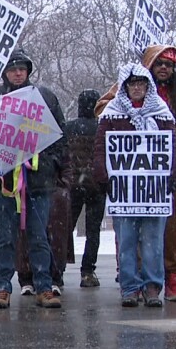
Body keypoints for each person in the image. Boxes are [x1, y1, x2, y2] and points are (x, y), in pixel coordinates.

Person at [96, 45, 176, 302]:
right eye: (132, 84)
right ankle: (129, 288)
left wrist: (175, 173)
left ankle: (152, 287)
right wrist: (103, 175)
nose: (137, 88)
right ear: (124, 87)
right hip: (124, 190)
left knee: (153, 241)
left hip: (154, 190)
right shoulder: (111, 114)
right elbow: (101, 147)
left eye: (141, 84)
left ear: (148, 86)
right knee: (127, 240)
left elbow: (173, 146)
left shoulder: (161, 113)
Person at [0, 47, 66, 310]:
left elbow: (59, 134)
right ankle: (2, 288)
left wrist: (52, 164)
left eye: (22, 69)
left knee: (39, 236)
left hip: (38, 180)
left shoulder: (44, 97)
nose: (18, 74)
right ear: (5, 73)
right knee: (4, 237)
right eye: (13, 69)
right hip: (4, 179)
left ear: (28, 71)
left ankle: (44, 286)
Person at [65, 89, 106, 288]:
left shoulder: (68, 127)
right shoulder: (102, 128)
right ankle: (87, 271)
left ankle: (57, 270)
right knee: (93, 231)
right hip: (97, 186)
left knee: (65, 228)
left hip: (73, 185)